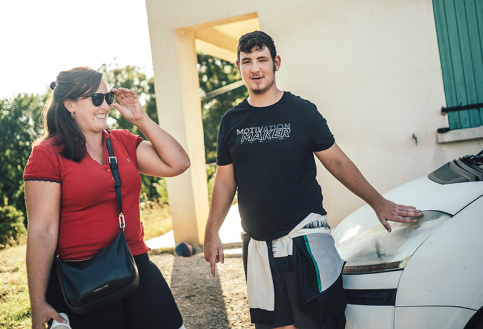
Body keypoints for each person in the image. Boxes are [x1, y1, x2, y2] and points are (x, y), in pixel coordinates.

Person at [203, 31, 422, 329]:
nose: (255, 68)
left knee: (317, 321)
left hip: (305, 237)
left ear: (276, 63)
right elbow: (225, 182)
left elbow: (337, 162)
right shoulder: (231, 121)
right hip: (258, 246)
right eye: (247, 61)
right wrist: (212, 231)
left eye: (262, 60)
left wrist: (379, 203)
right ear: (239, 67)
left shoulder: (302, 111)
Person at [24, 67, 189, 329]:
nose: (105, 106)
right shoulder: (47, 154)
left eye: (107, 98)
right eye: (96, 99)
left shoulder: (122, 141)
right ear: (70, 105)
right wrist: (38, 302)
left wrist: (141, 119)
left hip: (136, 264)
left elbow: (178, 163)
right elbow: (42, 231)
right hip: (82, 276)